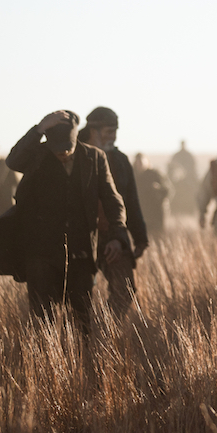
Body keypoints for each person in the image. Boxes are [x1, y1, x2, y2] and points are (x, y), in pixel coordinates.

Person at [6, 110, 130, 328]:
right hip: (41, 255)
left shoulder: (95, 158)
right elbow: (13, 161)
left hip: (81, 255)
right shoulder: (38, 155)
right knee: (43, 323)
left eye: (68, 149)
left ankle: (79, 360)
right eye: (57, 150)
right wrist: (38, 128)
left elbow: (113, 200)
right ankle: (47, 361)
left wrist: (117, 236)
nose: (62, 154)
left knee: (81, 321)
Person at [79, 106, 147, 319]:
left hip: (114, 237)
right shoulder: (72, 155)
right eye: (109, 131)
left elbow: (131, 201)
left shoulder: (120, 160)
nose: (113, 136)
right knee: (78, 298)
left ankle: (103, 332)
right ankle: (81, 340)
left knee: (124, 292)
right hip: (79, 238)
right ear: (93, 130)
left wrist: (139, 237)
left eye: (115, 131)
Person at [133, 152, 170, 234]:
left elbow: (168, 190)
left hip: (155, 213)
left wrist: (159, 189)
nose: (139, 165)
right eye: (137, 163)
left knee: (157, 237)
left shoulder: (155, 174)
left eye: (141, 163)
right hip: (139, 213)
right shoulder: (132, 175)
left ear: (147, 162)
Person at [167, 141, 198, 217]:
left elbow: (193, 168)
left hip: (188, 182)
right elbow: (171, 168)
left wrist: (186, 173)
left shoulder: (189, 155)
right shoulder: (176, 155)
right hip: (177, 182)